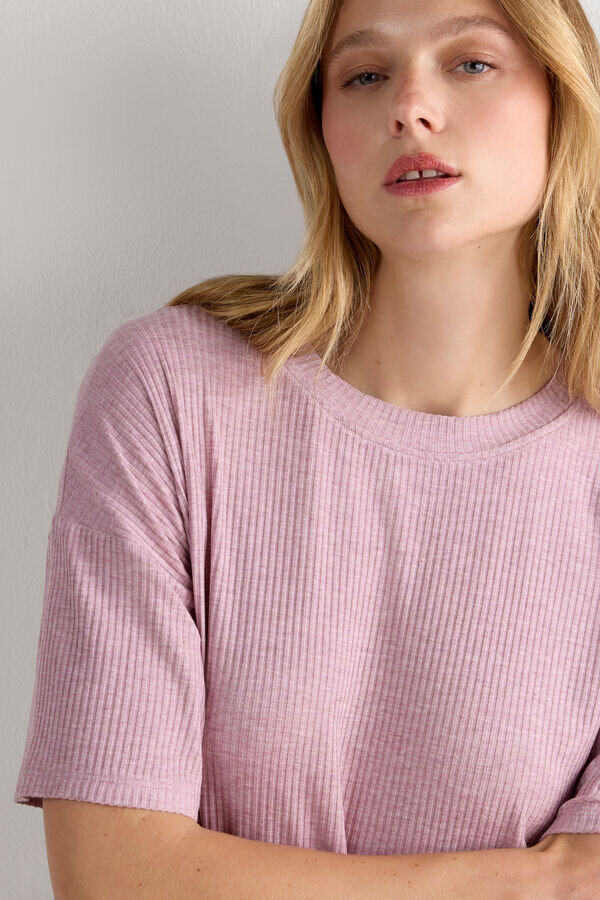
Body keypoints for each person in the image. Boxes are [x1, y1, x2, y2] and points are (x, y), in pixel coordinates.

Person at [14, 0, 600, 895]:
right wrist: (536, 881)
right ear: (321, 133)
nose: (410, 107)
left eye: (471, 62)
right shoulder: (172, 394)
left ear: (565, 99)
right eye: (364, 75)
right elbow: (107, 873)